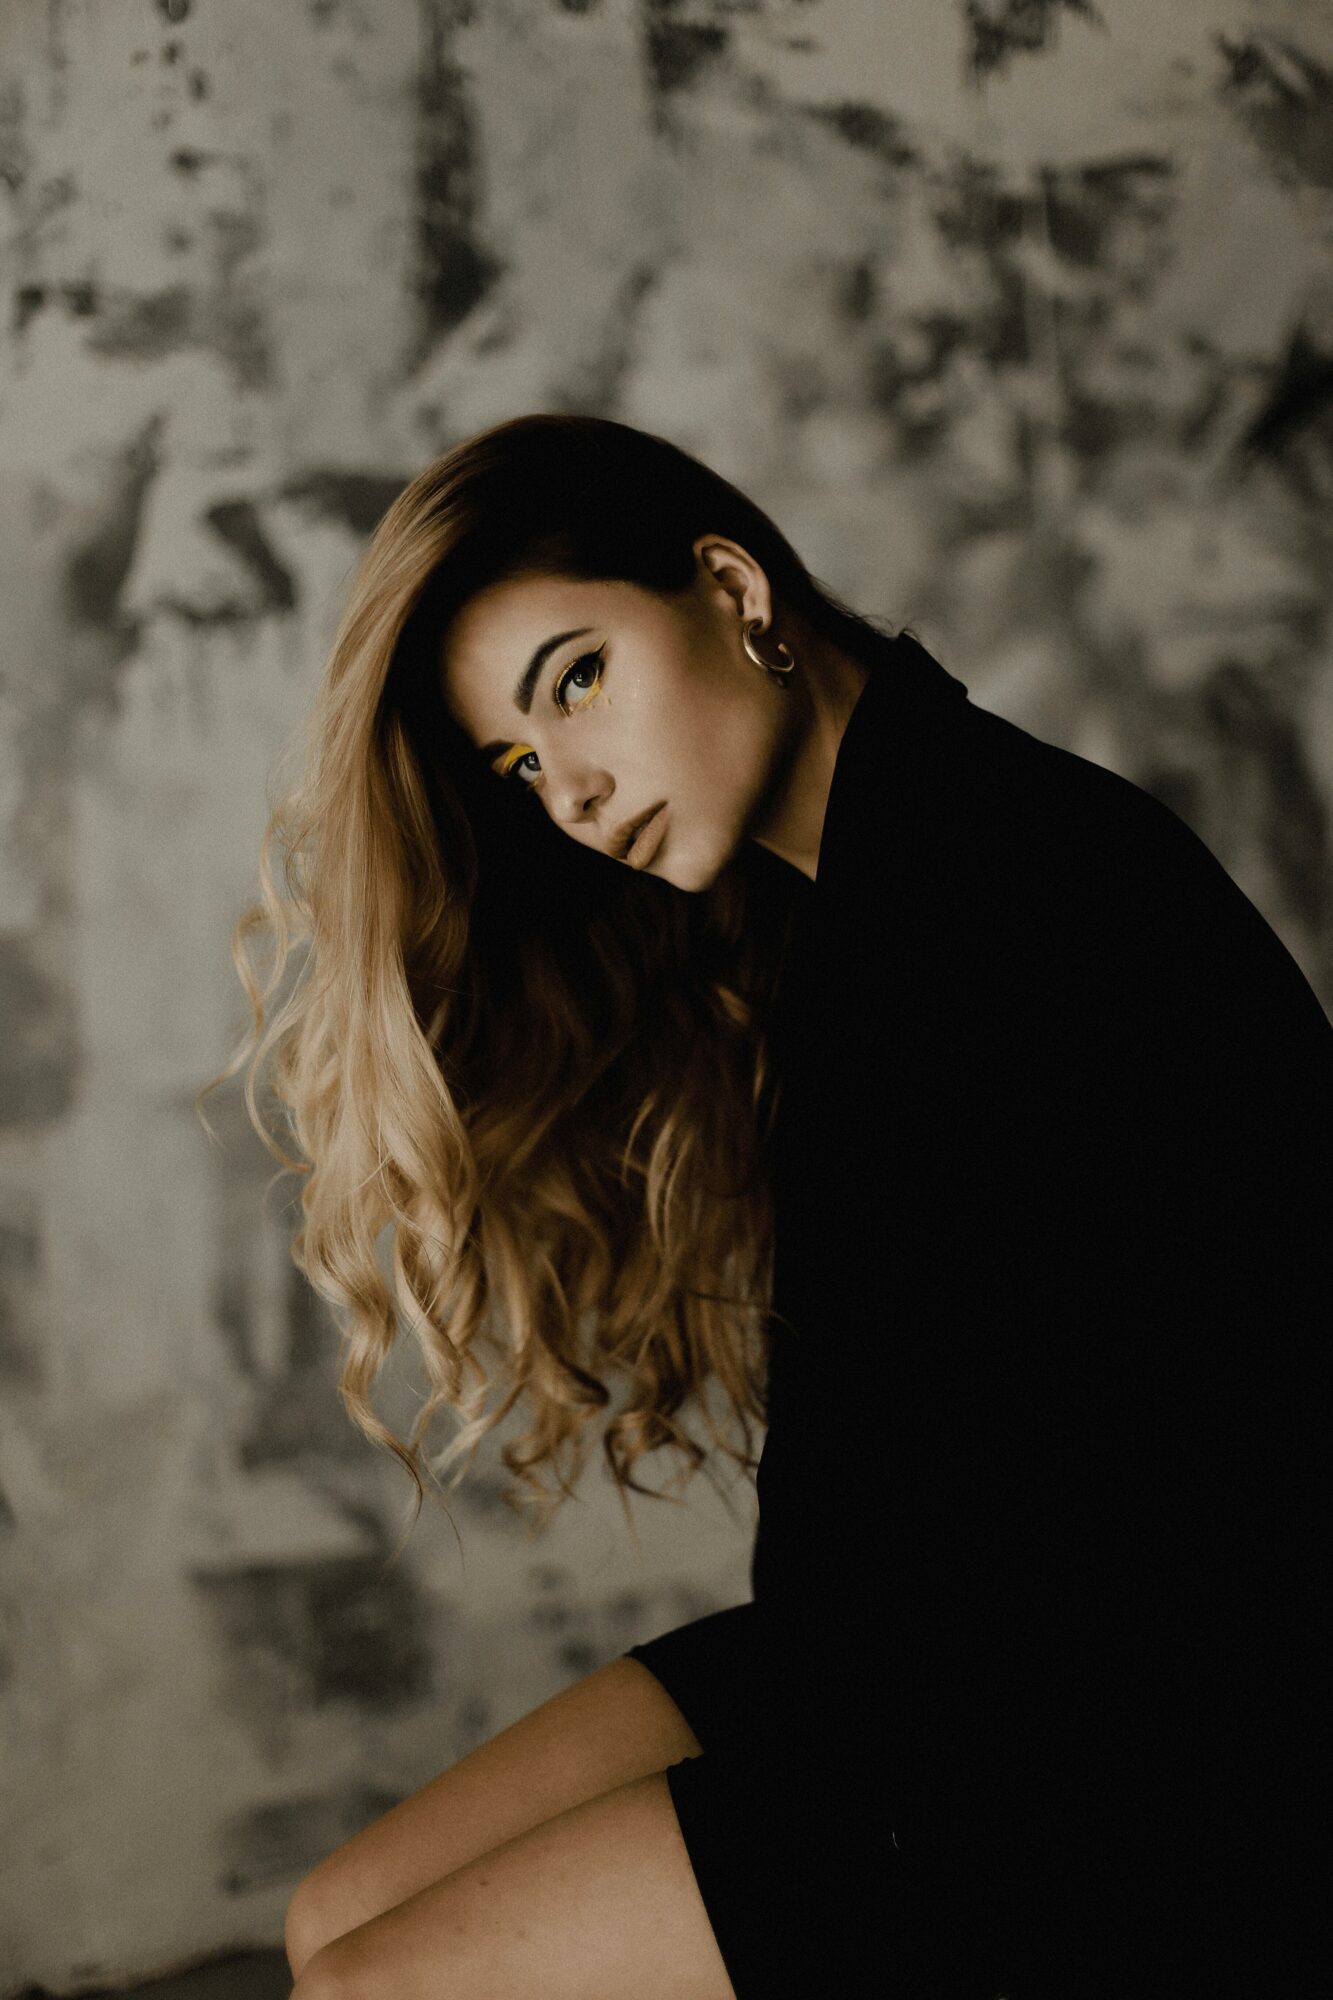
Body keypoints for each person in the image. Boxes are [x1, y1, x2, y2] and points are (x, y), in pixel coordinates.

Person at [202, 413, 1331, 1999]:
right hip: (928, 1648)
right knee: (335, 1917)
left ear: (731, 589)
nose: (570, 793)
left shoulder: (998, 883)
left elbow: (1168, 1471)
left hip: (1130, 1721)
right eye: (518, 765)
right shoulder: (863, 902)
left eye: (575, 680)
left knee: (370, 1983)